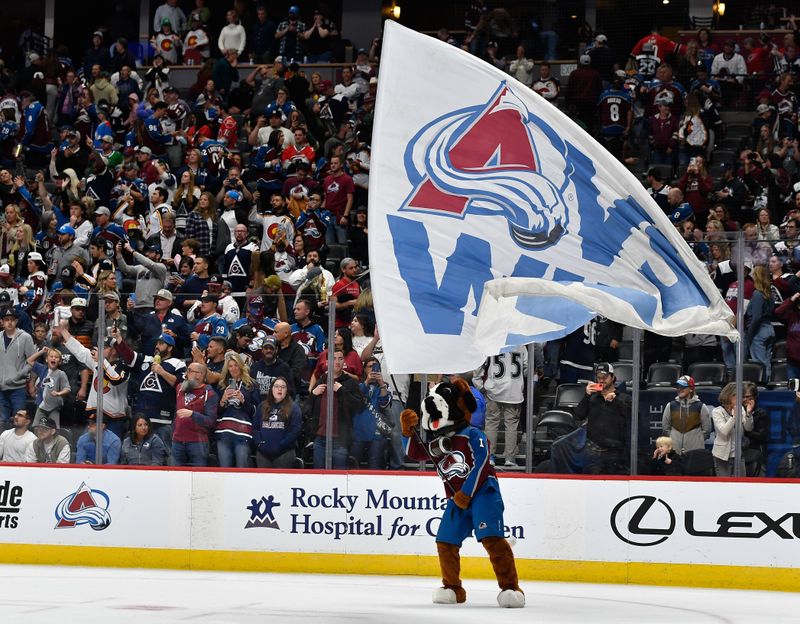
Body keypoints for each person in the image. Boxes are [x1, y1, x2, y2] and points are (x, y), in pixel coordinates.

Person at [307, 349, 362, 468]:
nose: (337, 362)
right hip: (320, 438)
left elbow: (359, 407)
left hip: (340, 440)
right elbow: (306, 409)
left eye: (340, 359)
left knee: (340, 477)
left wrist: (342, 390)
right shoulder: (321, 380)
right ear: (327, 361)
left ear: (344, 361)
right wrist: (313, 395)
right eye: (334, 358)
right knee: (318, 477)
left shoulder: (350, 383)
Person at [473, 346, 527, 467]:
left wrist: (479, 384)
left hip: (494, 389)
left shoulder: (493, 342)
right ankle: (510, 458)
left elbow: (479, 363)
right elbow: (527, 368)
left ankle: (490, 456)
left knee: (491, 422)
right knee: (511, 425)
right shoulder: (521, 345)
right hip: (514, 391)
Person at [573, 362, 631, 474]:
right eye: (598, 378)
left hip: (615, 452)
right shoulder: (592, 397)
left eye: (604, 377)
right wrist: (586, 395)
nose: (601, 380)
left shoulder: (624, 398)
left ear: (613, 378)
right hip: (592, 451)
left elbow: (633, 417)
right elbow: (578, 416)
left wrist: (616, 402)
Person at [215, 352, 259, 468]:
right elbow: (216, 412)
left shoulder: (251, 385)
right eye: (230, 366)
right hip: (223, 433)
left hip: (242, 433)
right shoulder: (222, 385)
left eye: (235, 365)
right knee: (224, 470)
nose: (233, 368)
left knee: (242, 469)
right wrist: (223, 400)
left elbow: (256, 412)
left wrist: (243, 401)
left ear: (241, 366)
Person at [172, 362, 218, 466]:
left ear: (199, 374)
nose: (186, 373)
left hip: (197, 442)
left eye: (189, 371)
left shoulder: (210, 394)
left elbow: (211, 421)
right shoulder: (180, 388)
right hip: (177, 440)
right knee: (176, 475)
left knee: (199, 475)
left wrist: (192, 414)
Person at [351, 357, 392, 469]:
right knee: (354, 464)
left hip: (377, 433)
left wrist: (382, 384)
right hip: (358, 430)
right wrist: (367, 382)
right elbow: (354, 399)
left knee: (375, 466)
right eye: (370, 367)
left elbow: (384, 404)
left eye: (376, 367)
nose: (373, 369)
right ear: (364, 369)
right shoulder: (357, 384)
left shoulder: (384, 386)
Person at [253, 376, 302, 468]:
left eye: (283, 387)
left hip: (284, 454)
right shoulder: (262, 406)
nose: (279, 389)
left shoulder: (294, 408)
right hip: (263, 454)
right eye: (276, 386)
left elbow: (295, 430)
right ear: (271, 389)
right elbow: (255, 428)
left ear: (287, 390)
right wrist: (259, 443)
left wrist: (281, 445)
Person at [0, 308, 35, 429]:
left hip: (18, 388)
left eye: (12, 320)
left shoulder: (25, 337)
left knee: (19, 421)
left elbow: (32, 360)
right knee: (2, 422)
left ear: (17, 321)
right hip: (0, 388)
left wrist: (20, 374)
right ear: (2, 322)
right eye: (6, 320)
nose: (9, 322)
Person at [660, 375, 712, 456]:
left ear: (691, 389)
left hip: (695, 452)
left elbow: (707, 430)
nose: (679, 389)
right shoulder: (670, 405)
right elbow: (665, 428)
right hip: (674, 450)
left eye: (683, 387)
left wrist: (697, 440)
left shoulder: (701, 406)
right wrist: (674, 438)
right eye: (678, 386)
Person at [711, 383, 754, 477]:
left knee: (741, 485)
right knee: (724, 487)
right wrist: (734, 417)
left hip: (738, 454)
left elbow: (748, 428)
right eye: (737, 396)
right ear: (729, 395)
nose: (740, 399)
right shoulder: (717, 411)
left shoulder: (741, 409)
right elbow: (724, 431)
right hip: (722, 456)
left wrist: (748, 414)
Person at [27, 346, 70, 427]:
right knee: (36, 427)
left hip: (54, 406)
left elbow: (67, 389)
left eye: (56, 357)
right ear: (47, 359)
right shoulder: (42, 368)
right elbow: (29, 360)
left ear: (60, 361)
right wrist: (42, 351)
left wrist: (59, 393)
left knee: (54, 428)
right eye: (51, 356)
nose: (53, 358)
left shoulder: (61, 373)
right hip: (41, 404)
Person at [745, 264, 775, 379]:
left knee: (759, 363)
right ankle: (767, 383)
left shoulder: (757, 294)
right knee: (766, 361)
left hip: (759, 330)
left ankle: (763, 386)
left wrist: (750, 334)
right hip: (769, 329)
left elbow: (756, 317)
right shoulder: (769, 293)